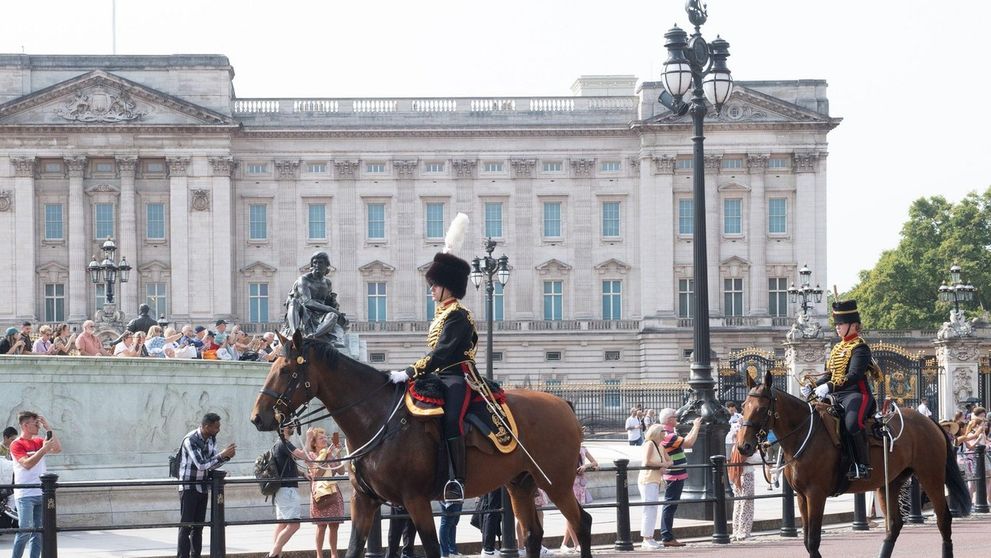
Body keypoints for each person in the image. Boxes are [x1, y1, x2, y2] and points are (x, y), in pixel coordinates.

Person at [387, 214, 475, 503]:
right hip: (438, 377)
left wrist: (411, 370)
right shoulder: (441, 316)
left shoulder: (459, 316)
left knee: (452, 421)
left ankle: (457, 480)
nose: (432, 290)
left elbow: (442, 353)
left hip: (458, 377)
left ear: (448, 286)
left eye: (436, 285)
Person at [802, 299, 878, 480]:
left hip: (857, 394)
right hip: (836, 395)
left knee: (852, 424)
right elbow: (830, 373)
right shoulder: (837, 348)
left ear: (853, 325)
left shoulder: (860, 348)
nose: (837, 327)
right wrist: (813, 386)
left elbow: (854, 375)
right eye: (836, 323)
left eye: (841, 323)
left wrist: (829, 386)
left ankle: (862, 465)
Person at [176, 412, 236, 558]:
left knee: (199, 527)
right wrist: (222, 455)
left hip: (203, 487)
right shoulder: (191, 440)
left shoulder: (211, 439)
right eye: (216, 427)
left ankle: (196, 555)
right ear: (207, 426)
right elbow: (201, 465)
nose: (218, 430)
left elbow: (212, 463)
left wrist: (226, 457)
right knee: (186, 526)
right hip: (189, 487)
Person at [9, 411, 61, 558]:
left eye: (39, 423)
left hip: (41, 492)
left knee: (38, 533)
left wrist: (48, 427)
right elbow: (27, 464)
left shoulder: (38, 441)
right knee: (24, 531)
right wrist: (43, 450)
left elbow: (57, 448)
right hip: (25, 494)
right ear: (25, 425)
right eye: (35, 423)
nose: (38, 425)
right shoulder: (16, 444)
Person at [657, 408, 702, 547]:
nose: (677, 419)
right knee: (670, 505)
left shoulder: (668, 433)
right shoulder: (668, 435)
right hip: (674, 475)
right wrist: (696, 426)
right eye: (675, 417)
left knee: (670, 505)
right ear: (669, 419)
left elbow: (685, 441)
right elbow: (689, 443)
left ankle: (667, 535)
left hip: (676, 474)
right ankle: (667, 536)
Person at [284, 251, 348, 342]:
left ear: (326, 265)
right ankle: (295, 334)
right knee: (294, 301)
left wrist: (335, 307)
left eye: (320, 262)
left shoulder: (327, 283)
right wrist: (331, 309)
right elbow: (307, 302)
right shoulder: (304, 279)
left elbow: (328, 301)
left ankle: (314, 336)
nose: (317, 265)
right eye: (314, 262)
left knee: (333, 316)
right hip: (304, 310)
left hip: (320, 314)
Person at [306, 428, 345, 558]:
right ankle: (319, 555)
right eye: (321, 438)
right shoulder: (311, 456)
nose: (325, 440)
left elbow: (340, 471)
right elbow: (317, 474)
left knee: (334, 525)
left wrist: (338, 454)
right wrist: (327, 457)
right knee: (321, 526)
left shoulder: (330, 453)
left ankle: (334, 554)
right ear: (314, 443)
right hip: (320, 494)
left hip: (333, 492)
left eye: (326, 437)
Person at [269, 424, 307, 558]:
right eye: (289, 426)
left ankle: (276, 554)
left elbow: (286, 466)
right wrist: (309, 438)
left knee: (282, 525)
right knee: (294, 525)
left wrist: (302, 474)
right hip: (288, 490)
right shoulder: (284, 443)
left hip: (282, 490)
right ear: (282, 429)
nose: (293, 428)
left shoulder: (278, 445)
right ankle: (273, 554)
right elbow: (302, 455)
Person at [637, 424, 673, 550]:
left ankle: (649, 536)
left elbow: (670, 461)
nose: (665, 433)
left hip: (655, 479)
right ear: (658, 432)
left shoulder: (660, 446)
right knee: (649, 508)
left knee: (653, 508)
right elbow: (646, 461)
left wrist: (664, 464)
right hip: (648, 479)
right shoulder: (650, 444)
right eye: (663, 431)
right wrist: (662, 465)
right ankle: (646, 538)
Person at [560, 436, 598, 553]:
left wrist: (585, 466)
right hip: (571, 483)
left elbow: (595, 462)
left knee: (575, 514)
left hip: (580, 484)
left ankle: (564, 544)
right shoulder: (568, 448)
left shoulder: (583, 449)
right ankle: (576, 543)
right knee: (571, 514)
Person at [728, 445, 763, 541]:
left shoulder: (735, 447)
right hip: (746, 476)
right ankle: (743, 533)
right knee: (747, 505)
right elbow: (762, 458)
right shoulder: (746, 450)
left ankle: (736, 531)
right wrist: (761, 450)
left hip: (738, 477)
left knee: (738, 505)